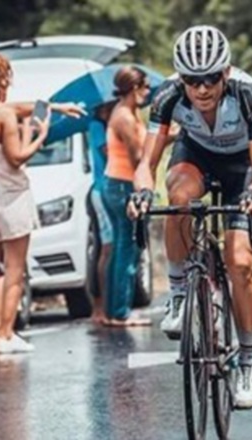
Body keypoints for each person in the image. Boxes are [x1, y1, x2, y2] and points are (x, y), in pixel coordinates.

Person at [128, 25, 252, 409]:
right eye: (193, 80)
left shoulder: (249, 95)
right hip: (196, 157)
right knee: (177, 197)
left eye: (211, 78)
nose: (203, 89)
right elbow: (147, 163)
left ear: (225, 73)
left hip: (242, 167)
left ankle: (248, 359)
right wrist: (141, 191)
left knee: (240, 262)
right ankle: (178, 296)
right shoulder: (168, 96)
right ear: (181, 78)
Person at [0, 52, 83, 352]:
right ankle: (4, 335)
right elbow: (16, 158)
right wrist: (38, 136)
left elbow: (21, 106)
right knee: (15, 268)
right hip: (11, 196)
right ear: (2, 79)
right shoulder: (4, 116)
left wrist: (54, 106)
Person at [102, 66, 154, 327]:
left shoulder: (128, 112)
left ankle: (114, 310)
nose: (147, 92)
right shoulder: (124, 116)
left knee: (121, 247)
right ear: (134, 88)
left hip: (117, 183)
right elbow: (137, 157)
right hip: (123, 186)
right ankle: (120, 311)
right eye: (145, 87)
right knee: (128, 248)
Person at [88, 103, 115, 325]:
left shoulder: (105, 125)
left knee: (109, 248)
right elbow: (108, 152)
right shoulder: (97, 126)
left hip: (108, 189)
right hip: (101, 189)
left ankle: (107, 305)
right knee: (104, 248)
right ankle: (100, 306)